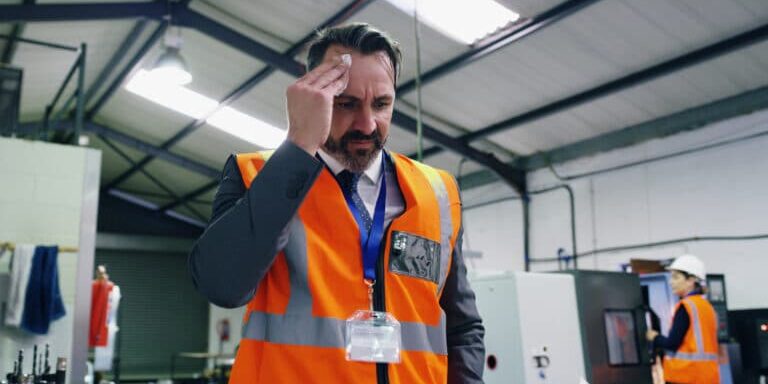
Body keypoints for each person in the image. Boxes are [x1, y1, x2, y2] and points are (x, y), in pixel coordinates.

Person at [189, 23, 485, 383]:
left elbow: (462, 328)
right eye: (346, 104)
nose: (367, 124)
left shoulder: (437, 192)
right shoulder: (255, 175)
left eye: (381, 104)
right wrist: (298, 143)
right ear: (314, 93)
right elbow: (222, 284)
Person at [645, 254, 719, 384]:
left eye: (676, 277)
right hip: (707, 376)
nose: (671, 282)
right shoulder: (707, 307)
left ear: (691, 280)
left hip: (686, 376)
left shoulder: (686, 307)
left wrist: (654, 336)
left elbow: (672, 343)